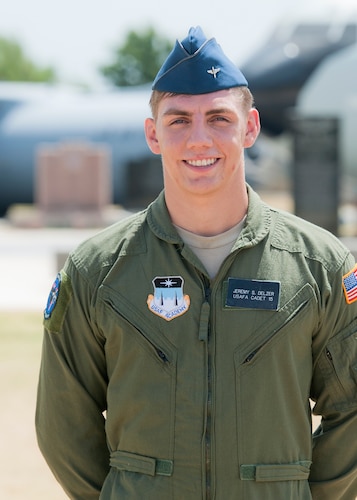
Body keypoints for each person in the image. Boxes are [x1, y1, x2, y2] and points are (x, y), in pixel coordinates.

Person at [36, 26, 357, 499]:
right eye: (179, 120)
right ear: (153, 134)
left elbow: (350, 409)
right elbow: (64, 423)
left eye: (220, 118)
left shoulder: (319, 266)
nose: (199, 139)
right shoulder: (98, 271)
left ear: (250, 127)